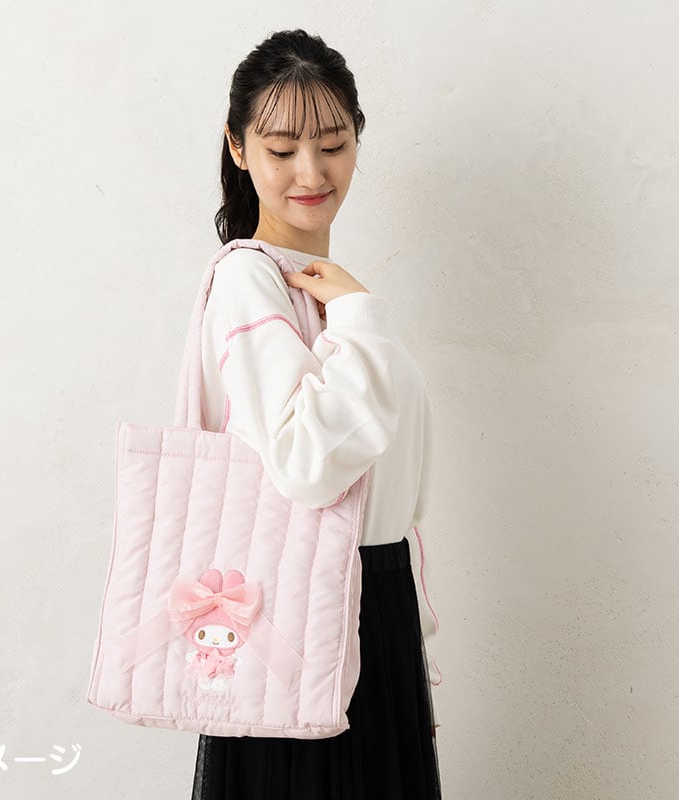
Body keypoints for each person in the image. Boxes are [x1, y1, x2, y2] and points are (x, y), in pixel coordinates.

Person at [191, 28, 442, 800]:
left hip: (372, 601)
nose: (311, 171)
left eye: (333, 144)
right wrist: (360, 317)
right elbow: (308, 466)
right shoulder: (250, 282)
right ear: (238, 147)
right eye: (282, 148)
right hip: (306, 609)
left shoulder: (325, 286)